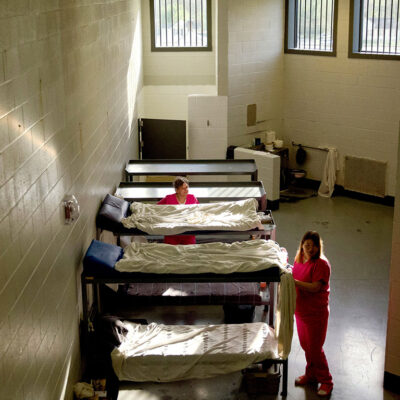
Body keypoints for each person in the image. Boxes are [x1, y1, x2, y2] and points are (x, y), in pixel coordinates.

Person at [292, 231, 333, 397]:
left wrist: (293, 282)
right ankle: (311, 375)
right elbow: (294, 274)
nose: (310, 249)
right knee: (305, 346)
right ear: (302, 244)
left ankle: (326, 381)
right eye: (307, 245)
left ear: (318, 247)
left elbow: (315, 287)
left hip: (316, 314)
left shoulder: (321, 264)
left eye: (313, 246)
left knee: (315, 349)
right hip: (301, 312)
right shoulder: (299, 260)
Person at [157, 176, 199, 245]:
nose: (186, 190)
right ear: (177, 190)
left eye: (187, 187)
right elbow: (157, 208)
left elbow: (198, 211)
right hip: (172, 232)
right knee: (170, 251)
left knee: (190, 251)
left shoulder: (192, 198)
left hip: (188, 232)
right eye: (183, 188)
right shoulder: (169, 198)